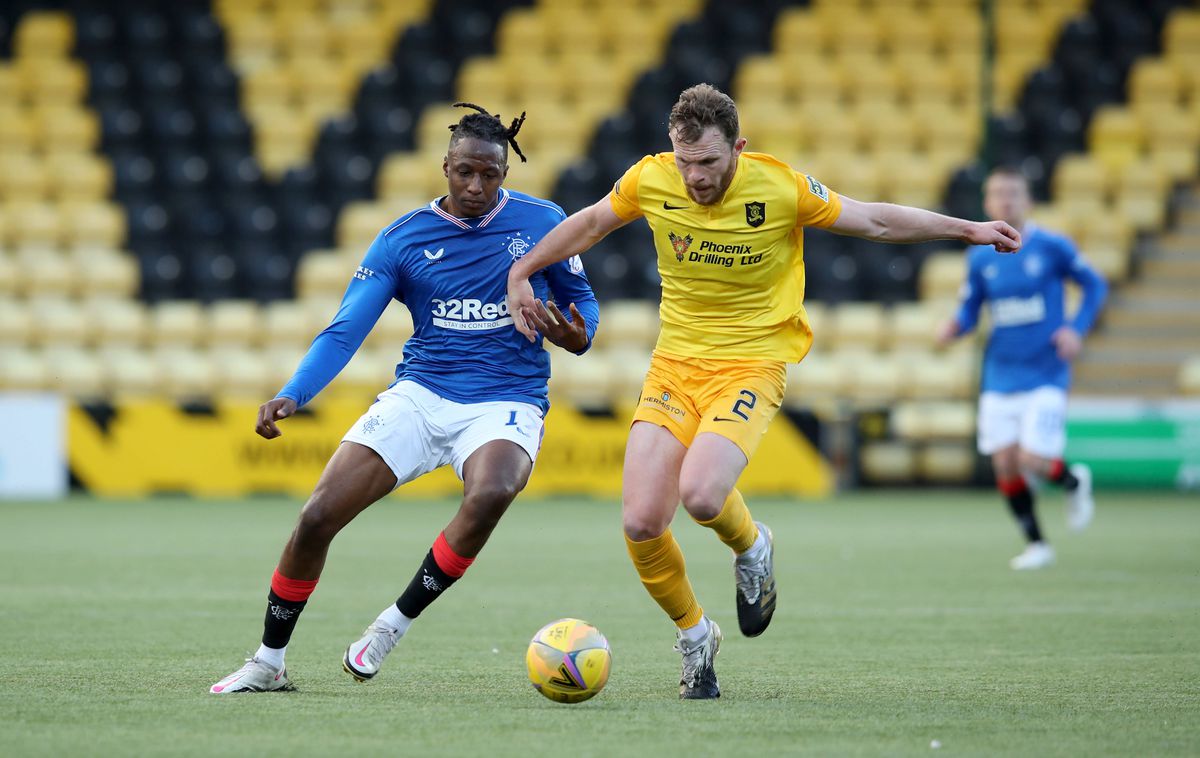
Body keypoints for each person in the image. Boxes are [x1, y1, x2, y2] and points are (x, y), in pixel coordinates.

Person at [506, 83, 1021, 699]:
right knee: (642, 521)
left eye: (709, 162)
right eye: (685, 160)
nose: (695, 176)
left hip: (753, 362)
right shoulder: (651, 178)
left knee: (700, 495)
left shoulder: (780, 187)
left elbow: (876, 219)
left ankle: (753, 547)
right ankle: (697, 638)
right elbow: (589, 224)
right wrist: (522, 269)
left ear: (738, 149)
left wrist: (967, 229)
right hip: (675, 365)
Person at [210, 103, 599, 693]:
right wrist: (295, 393)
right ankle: (267, 662)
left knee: (493, 489)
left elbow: (582, 301)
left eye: (490, 174)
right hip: (421, 393)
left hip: (506, 398)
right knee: (316, 518)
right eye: (465, 171)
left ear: (504, 174)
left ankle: (391, 626)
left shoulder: (544, 220)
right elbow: (346, 328)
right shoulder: (403, 238)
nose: (476, 185)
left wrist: (578, 333)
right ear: (445, 166)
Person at [937, 166, 1106, 571]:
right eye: (998, 194)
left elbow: (1095, 285)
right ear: (987, 203)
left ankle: (1073, 481)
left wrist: (1076, 328)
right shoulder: (979, 257)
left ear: (1027, 201)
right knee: (1005, 464)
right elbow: (970, 308)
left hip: (1045, 371)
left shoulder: (1053, 247)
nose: (1006, 200)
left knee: (1033, 460)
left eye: (1014, 193)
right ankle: (1037, 545)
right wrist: (954, 327)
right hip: (999, 374)